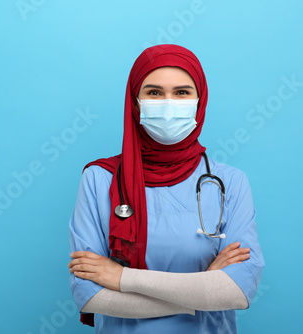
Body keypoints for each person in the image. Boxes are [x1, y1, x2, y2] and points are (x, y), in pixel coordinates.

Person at [67, 44, 264, 333]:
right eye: (154, 92)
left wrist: (122, 278)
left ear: (200, 101)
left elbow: (236, 292)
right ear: (135, 102)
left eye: (182, 92)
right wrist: (202, 291)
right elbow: (91, 296)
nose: (168, 103)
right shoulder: (100, 179)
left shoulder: (230, 182)